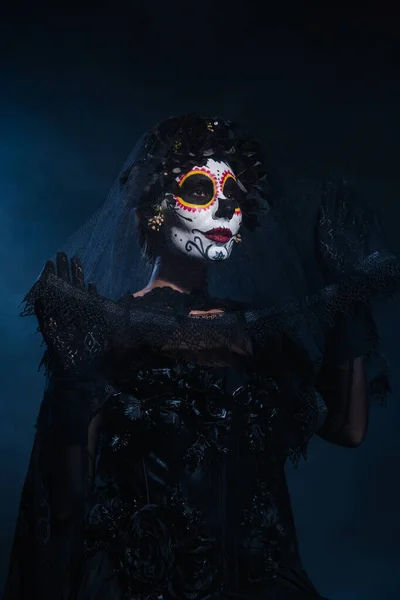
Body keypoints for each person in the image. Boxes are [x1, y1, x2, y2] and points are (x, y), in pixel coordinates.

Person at [3, 114, 399, 600]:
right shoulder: (110, 331)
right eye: (197, 190)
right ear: (153, 209)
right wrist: (73, 380)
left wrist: (347, 297)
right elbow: (65, 501)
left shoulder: (259, 332)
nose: (222, 211)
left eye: (232, 197)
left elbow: (348, 429)